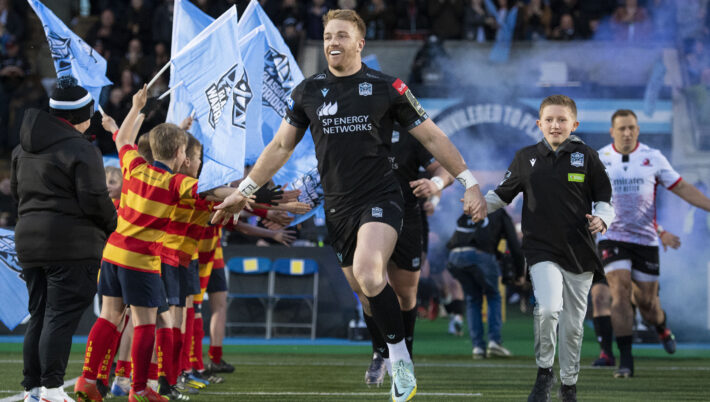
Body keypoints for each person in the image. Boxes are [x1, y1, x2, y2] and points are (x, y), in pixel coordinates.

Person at [211, 9, 487, 402]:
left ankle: (401, 362)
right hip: (337, 207)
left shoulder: (388, 87)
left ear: (360, 43)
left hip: (381, 197)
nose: (332, 43)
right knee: (364, 289)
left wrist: (469, 182)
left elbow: (433, 137)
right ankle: (382, 350)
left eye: (341, 35)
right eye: (327, 36)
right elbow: (281, 146)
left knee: (369, 273)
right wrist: (246, 189)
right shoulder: (307, 91)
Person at [74, 85, 239, 402]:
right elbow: (210, 192)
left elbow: (123, 138)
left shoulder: (134, 166)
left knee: (108, 317)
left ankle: (87, 381)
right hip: (142, 261)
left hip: (113, 254)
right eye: (185, 153)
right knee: (145, 324)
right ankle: (139, 389)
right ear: (178, 154)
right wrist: (240, 193)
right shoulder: (175, 182)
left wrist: (136, 107)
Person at [484, 95, 614, 402]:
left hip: (580, 251)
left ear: (574, 124)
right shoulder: (525, 157)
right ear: (539, 124)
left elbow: (605, 200)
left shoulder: (588, 157)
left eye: (562, 120)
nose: (555, 125)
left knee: (573, 326)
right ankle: (544, 373)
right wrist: (477, 205)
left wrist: (602, 219)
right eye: (550, 120)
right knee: (548, 308)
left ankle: (568, 385)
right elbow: (501, 196)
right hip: (540, 248)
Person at [11, 76, 117, 402]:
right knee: (58, 317)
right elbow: (94, 200)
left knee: (39, 314)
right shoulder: (81, 149)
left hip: (28, 241)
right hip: (71, 245)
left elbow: (17, 194)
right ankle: (52, 389)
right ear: (78, 115)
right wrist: (113, 225)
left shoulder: (20, 148)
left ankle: (33, 390)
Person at [596, 109, 710, 378]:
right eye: (622, 128)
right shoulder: (598, 159)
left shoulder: (653, 157)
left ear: (638, 130)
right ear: (612, 131)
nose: (627, 133)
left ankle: (661, 327)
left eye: (632, 128)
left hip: (645, 239)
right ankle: (626, 360)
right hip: (611, 236)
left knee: (648, 305)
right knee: (619, 292)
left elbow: (680, 187)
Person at [353, 127, 454, 386]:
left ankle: (405, 355)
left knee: (406, 293)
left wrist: (435, 185)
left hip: (406, 217)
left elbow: (445, 169)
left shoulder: (412, 133)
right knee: (367, 289)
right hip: (365, 215)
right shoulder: (357, 126)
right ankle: (379, 353)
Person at [446, 208, 525, 359]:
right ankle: (494, 342)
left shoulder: (470, 208)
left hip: (455, 256)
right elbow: (514, 245)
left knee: (473, 298)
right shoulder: (500, 212)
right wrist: (520, 273)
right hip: (480, 255)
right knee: (493, 295)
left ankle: (477, 347)